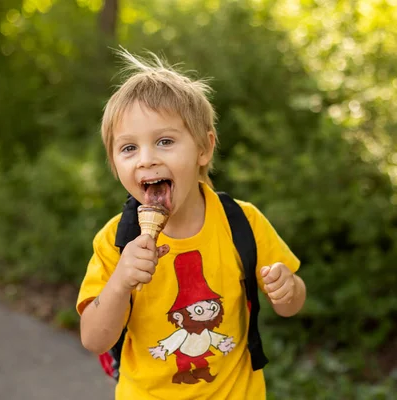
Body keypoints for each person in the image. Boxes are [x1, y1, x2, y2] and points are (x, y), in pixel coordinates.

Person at [76, 49, 306, 400]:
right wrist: (121, 281)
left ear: (204, 149)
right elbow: (94, 339)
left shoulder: (240, 222)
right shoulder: (114, 241)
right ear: (114, 163)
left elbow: (292, 305)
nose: (147, 159)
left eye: (165, 141)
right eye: (128, 149)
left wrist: (287, 288)